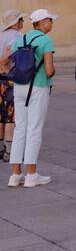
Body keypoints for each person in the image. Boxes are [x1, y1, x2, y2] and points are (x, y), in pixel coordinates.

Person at [8, 9, 56, 188]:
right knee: (34, 129)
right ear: (42, 22)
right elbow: (49, 70)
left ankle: (15, 175)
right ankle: (31, 175)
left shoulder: (21, 39)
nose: (51, 23)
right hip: (38, 86)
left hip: (19, 86)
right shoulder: (45, 40)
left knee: (20, 128)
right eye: (50, 20)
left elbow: (6, 60)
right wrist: (51, 73)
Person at [0, 11, 24, 163]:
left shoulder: (1, 35)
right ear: (16, 22)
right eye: (21, 19)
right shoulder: (17, 37)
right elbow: (7, 58)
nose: (22, 22)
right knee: (11, 116)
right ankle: (9, 150)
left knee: (1, 115)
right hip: (8, 79)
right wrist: (7, 70)